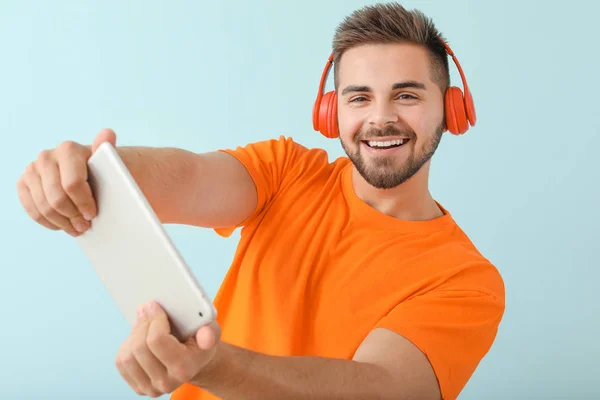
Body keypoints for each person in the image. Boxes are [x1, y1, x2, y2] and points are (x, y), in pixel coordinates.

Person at [16, 3, 504, 400]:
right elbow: (188, 176)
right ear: (329, 112)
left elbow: (381, 389)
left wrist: (214, 365)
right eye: (358, 98)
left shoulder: (466, 281)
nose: (380, 119)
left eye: (406, 96)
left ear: (452, 109)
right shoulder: (286, 170)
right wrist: (98, 169)